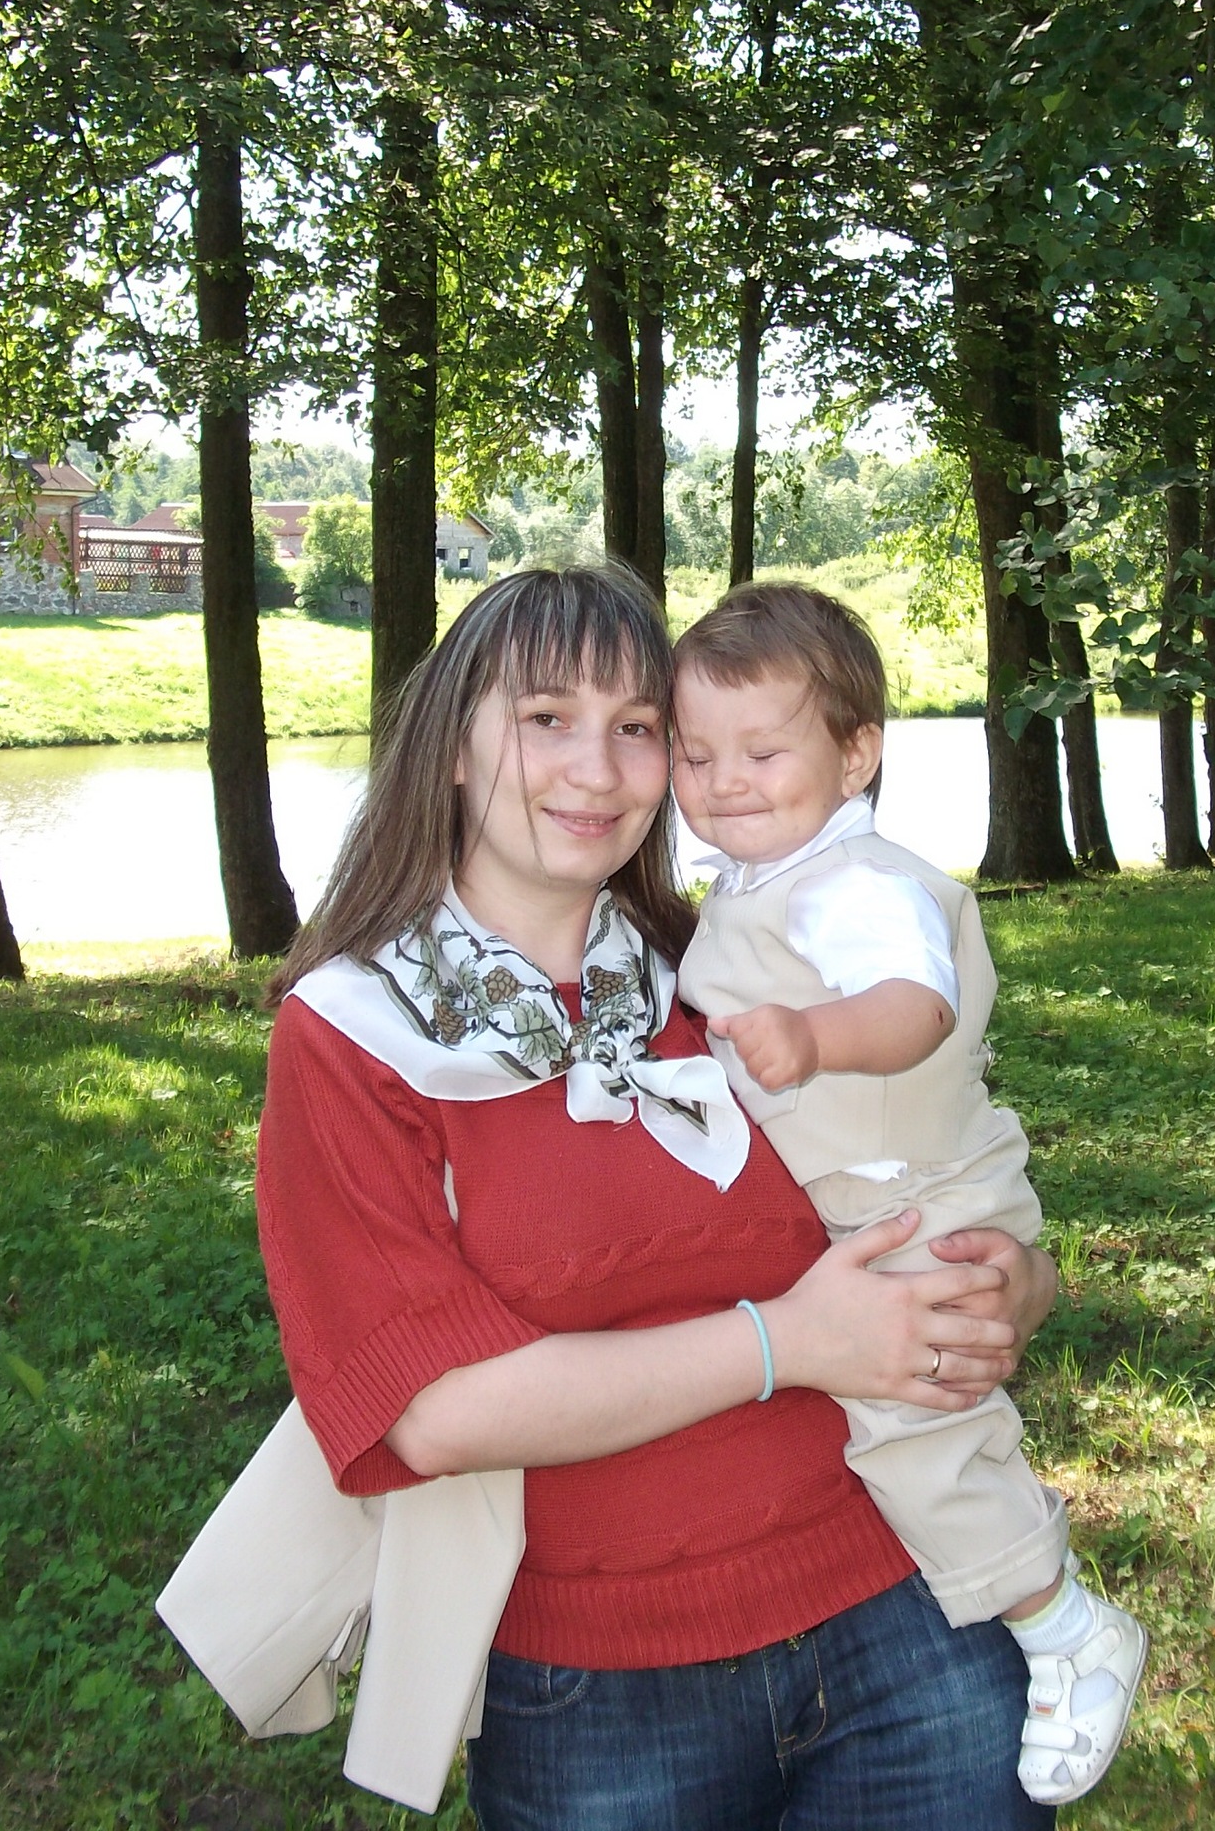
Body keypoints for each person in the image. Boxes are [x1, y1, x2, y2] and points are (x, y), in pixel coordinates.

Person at [252, 562, 1063, 1828]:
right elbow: (431, 1414)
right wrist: (785, 1343)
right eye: (546, 718)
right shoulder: (355, 1035)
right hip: (602, 1699)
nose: (597, 769)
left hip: (910, 1617)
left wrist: (1011, 1286)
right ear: (452, 746)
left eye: (636, 727)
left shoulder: (733, 974)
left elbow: (929, 1170)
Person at [671, 582, 1146, 1805]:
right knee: (913, 1407)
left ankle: (1064, 1629)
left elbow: (913, 1006)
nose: (723, 782)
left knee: (917, 1423)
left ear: (857, 755)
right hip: (883, 1196)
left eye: (762, 752)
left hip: (916, 1200)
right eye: (693, 754)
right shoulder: (761, 879)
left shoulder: (853, 884)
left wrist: (812, 1037)